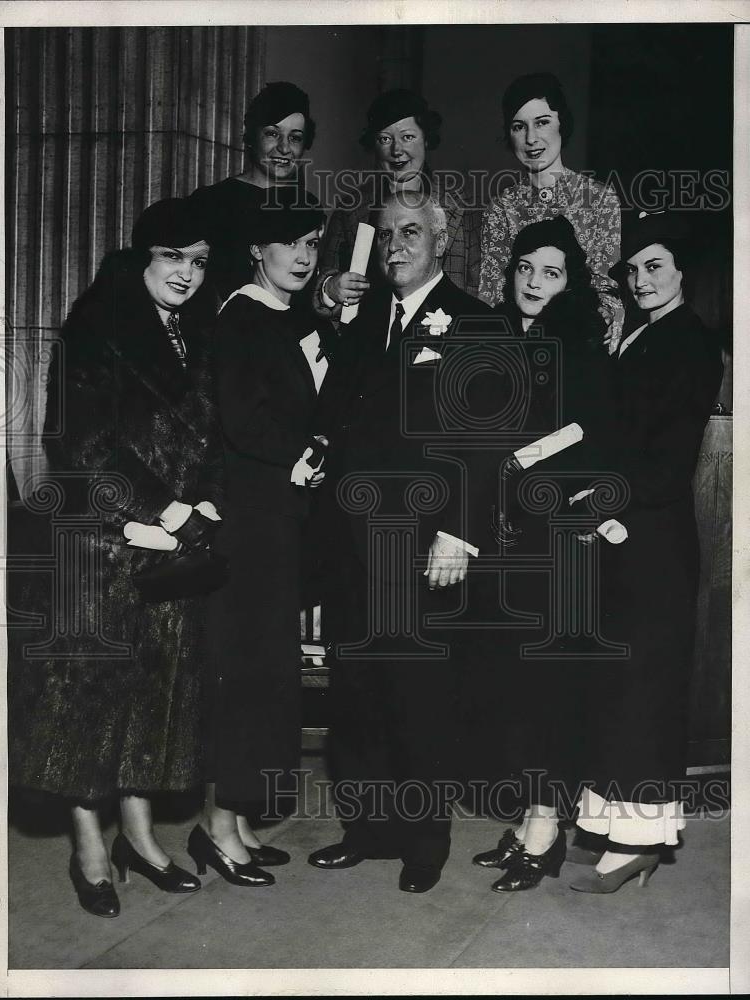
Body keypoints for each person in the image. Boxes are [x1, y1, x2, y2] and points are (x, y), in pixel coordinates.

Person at [8, 198, 221, 917]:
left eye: (198, 262)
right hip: (99, 542)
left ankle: (137, 834)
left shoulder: (190, 332)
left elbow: (206, 440)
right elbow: (80, 444)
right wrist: (163, 512)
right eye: (172, 258)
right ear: (142, 259)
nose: (186, 274)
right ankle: (89, 847)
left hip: (168, 550)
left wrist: (206, 504)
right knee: (84, 703)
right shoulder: (96, 326)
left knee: (152, 701)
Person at [309, 191, 502, 894]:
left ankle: (424, 842)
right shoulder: (364, 325)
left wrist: (458, 533)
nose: (395, 245)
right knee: (358, 691)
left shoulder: (475, 322)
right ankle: (365, 829)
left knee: (420, 696)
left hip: (425, 545)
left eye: (411, 232)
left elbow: (484, 442)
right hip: (355, 545)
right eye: (385, 234)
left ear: (441, 240)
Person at [566, 212, 724, 892]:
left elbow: (661, 461)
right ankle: (604, 822)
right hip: (626, 529)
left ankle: (638, 842)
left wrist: (600, 499)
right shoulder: (642, 336)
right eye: (631, 270)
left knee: (644, 692)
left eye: (653, 266)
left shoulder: (687, 341)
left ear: (681, 273)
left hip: (651, 533)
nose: (640, 279)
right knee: (615, 686)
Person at [467, 215, 619, 892]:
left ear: (570, 282)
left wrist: (522, 457)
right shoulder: (492, 335)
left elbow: (591, 433)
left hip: (557, 537)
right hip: (502, 540)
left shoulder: (582, 346)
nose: (533, 282)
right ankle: (527, 817)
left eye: (549, 272)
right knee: (510, 687)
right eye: (525, 268)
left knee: (550, 687)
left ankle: (545, 827)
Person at [188, 198, 334, 886]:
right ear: (256, 252)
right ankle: (216, 826)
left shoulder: (289, 315)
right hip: (247, 521)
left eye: (311, 244)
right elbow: (243, 422)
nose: (302, 256)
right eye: (288, 244)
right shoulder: (241, 316)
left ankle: (237, 819)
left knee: (265, 672)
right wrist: (299, 456)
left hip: (277, 517)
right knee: (244, 674)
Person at [478, 72, 623, 350]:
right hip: (516, 348)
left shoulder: (600, 198)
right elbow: (492, 293)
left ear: (562, 125)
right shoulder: (501, 207)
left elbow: (608, 287)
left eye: (542, 123)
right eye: (519, 127)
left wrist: (605, 315)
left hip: (579, 345)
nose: (531, 138)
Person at [313, 88, 482, 317]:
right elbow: (326, 277)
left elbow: (477, 286)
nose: (396, 150)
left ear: (427, 140)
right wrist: (330, 287)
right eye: (385, 139)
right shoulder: (351, 208)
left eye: (408, 137)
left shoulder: (461, 207)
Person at [189, 81, 316, 301]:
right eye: (272, 134)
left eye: (295, 138)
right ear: (251, 137)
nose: (285, 148)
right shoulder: (211, 201)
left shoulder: (308, 204)